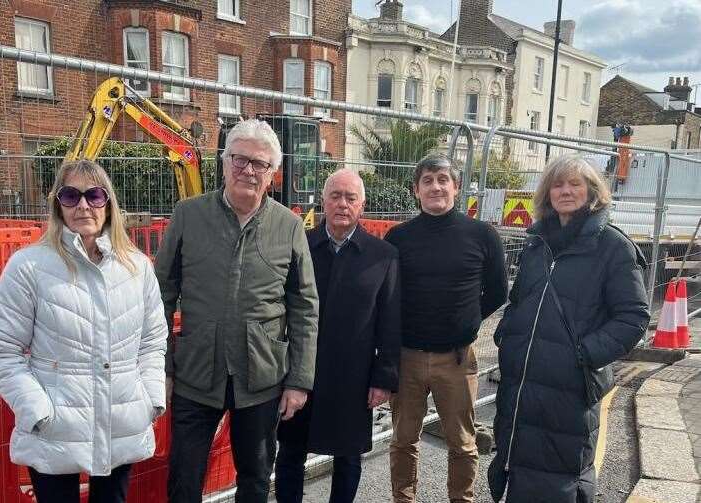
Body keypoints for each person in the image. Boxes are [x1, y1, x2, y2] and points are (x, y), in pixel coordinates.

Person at [155, 118, 319, 503]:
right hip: (195, 374)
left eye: (259, 164)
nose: (248, 169)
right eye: (239, 159)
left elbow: (304, 306)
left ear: (272, 174)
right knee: (183, 478)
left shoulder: (289, 226)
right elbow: (161, 293)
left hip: (261, 378)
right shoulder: (188, 215)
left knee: (256, 479)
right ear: (225, 163)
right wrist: (161, 366)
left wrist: (298, 380)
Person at [0, 159, 167, 503]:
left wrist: (150, 399)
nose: (84, 205)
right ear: (58, 204)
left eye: (94, 195)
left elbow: (153, 342)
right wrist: (38, 411)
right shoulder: (29, 267)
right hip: (54, 425)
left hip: (120, 419)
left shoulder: (138, 267)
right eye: (71, 196)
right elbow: (4, 351)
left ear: (108, 203)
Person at [487, 154, 649, 503]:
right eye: (557, 184)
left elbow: (634, 316)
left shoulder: (613, 248)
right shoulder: (537, 244)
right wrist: (506, 336)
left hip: (569, 390)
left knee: (559, 480)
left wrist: (584, 354)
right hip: (521, 386)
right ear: (547, 193)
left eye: (574, 183)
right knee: (518, 467)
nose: (565, 191)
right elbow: (518, 300)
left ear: (592, 192)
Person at [385, 153, 508, 503]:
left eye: (443, 179)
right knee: (404, 440)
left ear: (456, 187)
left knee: (463, 443)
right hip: (406, 358)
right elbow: (389, 295)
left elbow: (498, 291)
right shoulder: (398, 238)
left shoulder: (483, 235)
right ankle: (403, 499)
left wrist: (466, 322)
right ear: (416, 190)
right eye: (428, 180)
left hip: (457, 359)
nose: (436, 186)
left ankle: (462, 500)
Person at [275, 168, 401, 503]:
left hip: (354, 376)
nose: (342, 204)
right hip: (302, 370)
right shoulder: (299, 246)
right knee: (290, 453)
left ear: (362, 206)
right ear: (324, 201)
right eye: (335, 196)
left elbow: (390, 321)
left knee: (347, 458)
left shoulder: (383, 256)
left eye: (350, 198)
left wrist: (384, 378)